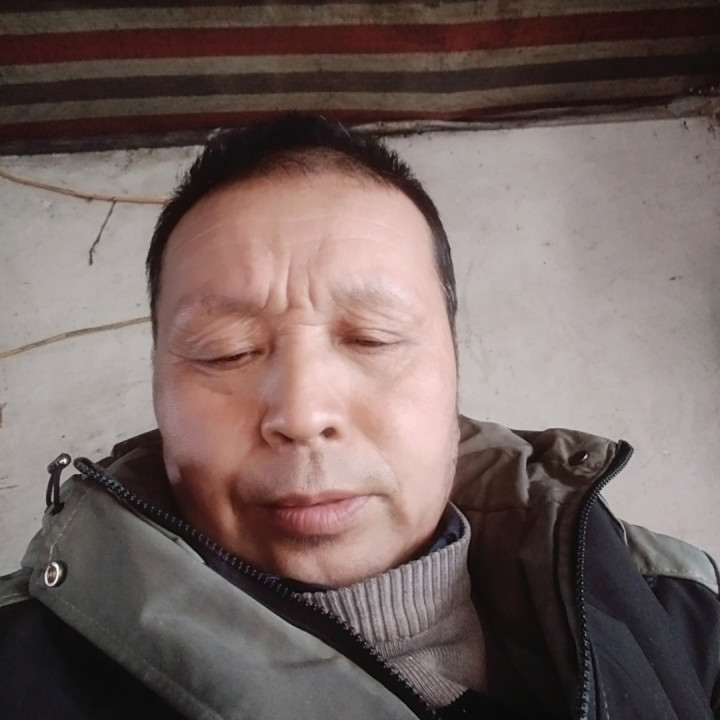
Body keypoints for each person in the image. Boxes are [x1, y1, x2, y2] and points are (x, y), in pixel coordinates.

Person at [0, 115, 718, 720]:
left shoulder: (677, 605)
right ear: (158, 382)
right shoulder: (26, 666)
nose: (302, 413)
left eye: (372, 338)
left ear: (454, 367)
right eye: (227, 351)